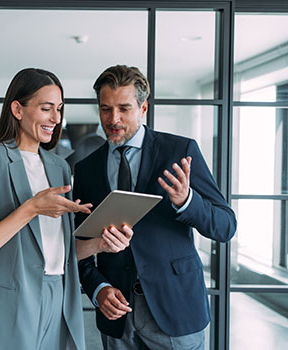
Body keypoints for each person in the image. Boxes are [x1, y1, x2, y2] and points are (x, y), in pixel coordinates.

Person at [0, 68, 134, 350]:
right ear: (17, 109)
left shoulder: (59, 167)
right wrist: (31, 208)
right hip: (7, 304)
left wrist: (100, 244)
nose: (56, 118)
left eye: (59, 109)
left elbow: (60, 252)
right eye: (46, 108)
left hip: (59, 299)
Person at [75, 65, 237, 350]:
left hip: (176, 309)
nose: (114, 119)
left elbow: (225, 226)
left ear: (143, 107)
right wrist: (98, 289)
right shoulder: (86, 169)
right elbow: (79, 247)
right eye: (105, 109)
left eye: (124, 108)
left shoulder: (180, 151)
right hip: (117, 317)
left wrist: (187, 201)